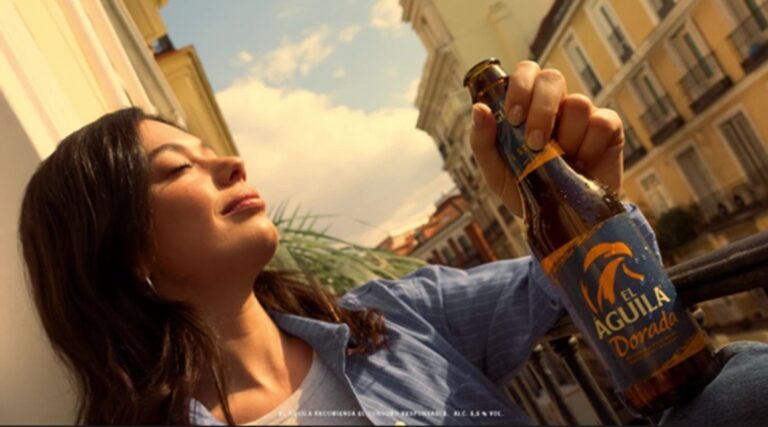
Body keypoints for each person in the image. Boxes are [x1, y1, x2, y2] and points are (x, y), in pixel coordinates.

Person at [17, 61, 767, 425]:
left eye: (212, 147)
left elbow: (565, 282)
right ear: (124, 255)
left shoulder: (389, 320)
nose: (230, 161)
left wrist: (584, 190)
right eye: (178, 168)